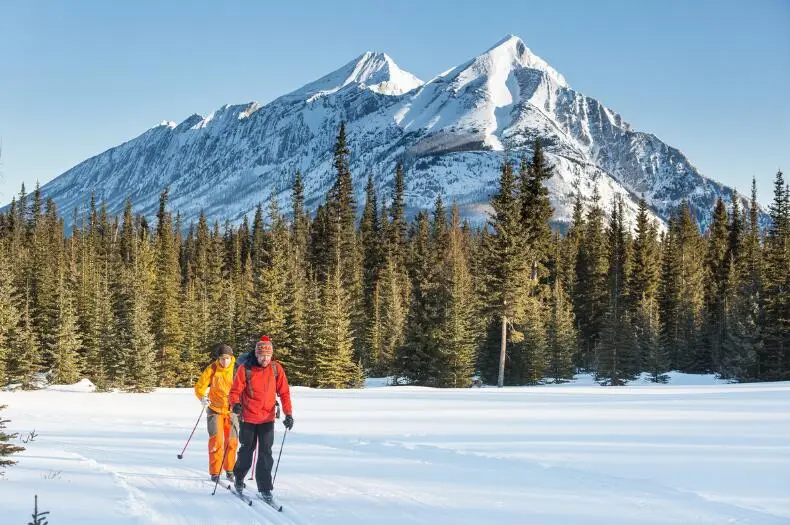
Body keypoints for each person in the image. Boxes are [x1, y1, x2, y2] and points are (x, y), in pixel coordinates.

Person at [230, 335, 293, 504]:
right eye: (262, 355)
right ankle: (239, 477)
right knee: (246, 451)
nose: (265, 359)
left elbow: (285, 392)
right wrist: (235, 404)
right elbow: (235, 391)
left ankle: (265, 488)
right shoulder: (245, 369)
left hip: (267, 418)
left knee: (266, 454)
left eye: (268, 355)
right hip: (248, 417)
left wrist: (288, 414)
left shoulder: (276, 369)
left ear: (271, 355)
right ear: (256, 355)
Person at [194, 343, 239, 483]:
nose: (225, 361)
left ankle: (230, 469)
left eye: (227, 358)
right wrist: (202, 397)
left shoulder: (237, 369)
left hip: (232, 411)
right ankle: (215, 471)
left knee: (232, 442)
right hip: (215, 410)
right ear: (218, 359)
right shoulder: (212, 368)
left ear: (232, 358)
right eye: (222, 358)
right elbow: (200, 386)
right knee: (217, 441)